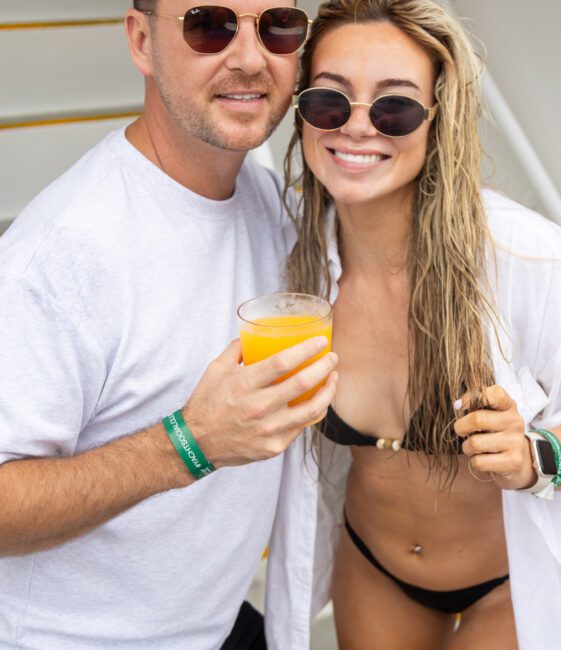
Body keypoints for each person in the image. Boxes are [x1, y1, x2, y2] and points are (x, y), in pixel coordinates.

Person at [282, 0, 561, 648]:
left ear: (437, 118)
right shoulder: (293, 258)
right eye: (330, 101)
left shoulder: (517, 253)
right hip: (373, 569)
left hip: (506, 583)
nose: (357, 128)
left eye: (394, 106)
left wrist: (540, 455)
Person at [0, 2, 338, 649]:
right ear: (141, 41)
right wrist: (191, 441)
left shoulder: (275, 208)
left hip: (216, 624)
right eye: (209, 25)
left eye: (277, 26)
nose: (248, 56)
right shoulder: (61, 254)